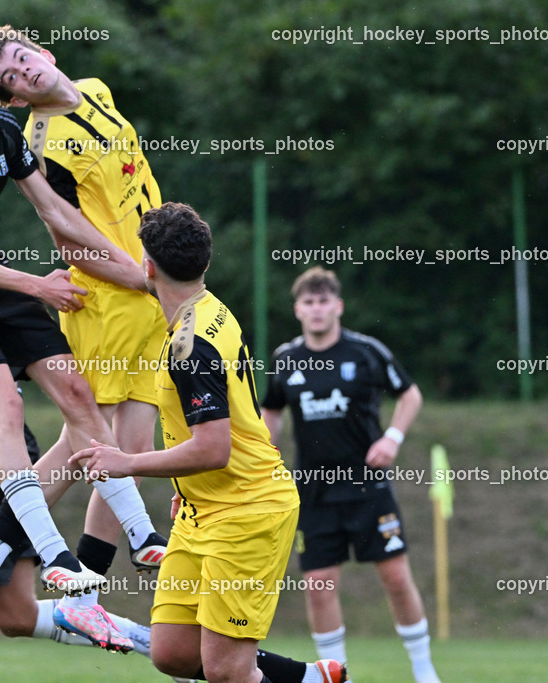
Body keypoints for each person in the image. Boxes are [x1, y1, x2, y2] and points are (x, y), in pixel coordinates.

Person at [0, 49, 165, 645]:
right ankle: (53, 554)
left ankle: (143, 537)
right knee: (5, 404)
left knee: (75, 392)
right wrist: (39, 285)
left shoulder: (6, 131)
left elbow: (51, 208)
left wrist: (132, 268)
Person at [73, 204, 346, 683]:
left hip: (247, 511)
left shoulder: (191, 344)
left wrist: (125, 461)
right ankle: (307, 679)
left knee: (226, 671)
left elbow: (213, 448)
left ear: (148, 266)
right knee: (172, 653)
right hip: (203, 512)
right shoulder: (208, 310)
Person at [0, 24, 169, 644]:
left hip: (148, 294)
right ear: (9, 98)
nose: (23, 72)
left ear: (45, 54)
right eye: (9, 76)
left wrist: (157, 275)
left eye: (23, 58)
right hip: (111, 302)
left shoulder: (94, 88)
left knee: (129, 445)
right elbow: (69, 244)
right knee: (92, 439)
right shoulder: (43, 144)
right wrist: (141, 280)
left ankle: (90, 576)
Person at [260, 267, 440, 683]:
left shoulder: (365, 351)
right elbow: (271, 410)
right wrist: (266, 452)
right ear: (297, 310)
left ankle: (424, 669)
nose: (317, 309)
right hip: (314, 493)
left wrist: (392, 438)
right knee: (319, 584)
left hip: (367, 489)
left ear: (338, 306)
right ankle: (339, 676)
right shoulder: (286, 358)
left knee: (396, 577)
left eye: (324, 301)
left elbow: (410, 394)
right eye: (309, 302)